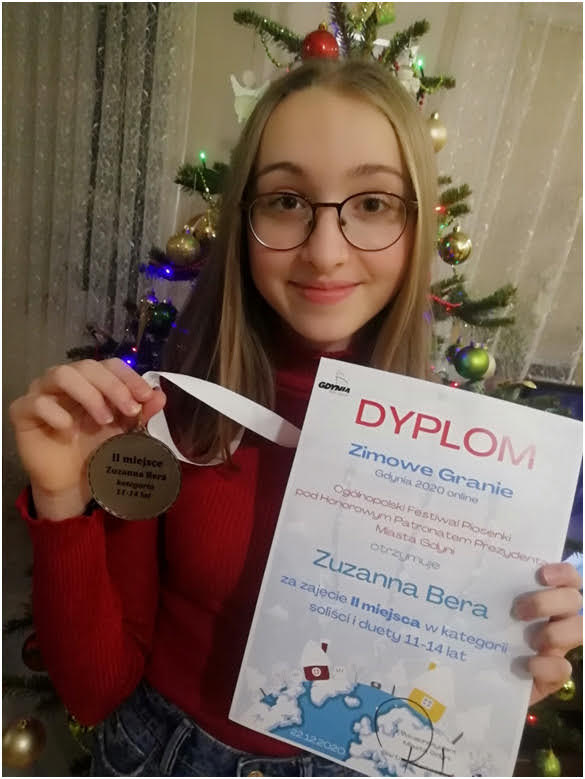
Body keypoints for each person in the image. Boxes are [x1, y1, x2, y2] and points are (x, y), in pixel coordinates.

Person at [9, 58, 582, 777]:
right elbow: (96, 691)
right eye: (286, 200)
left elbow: (428, 706)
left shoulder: (466, 466)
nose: (325, 252)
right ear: (244, 219)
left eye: (371, 203)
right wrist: (62, 496)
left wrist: (492, 677)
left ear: (415, 225)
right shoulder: (170, 416)